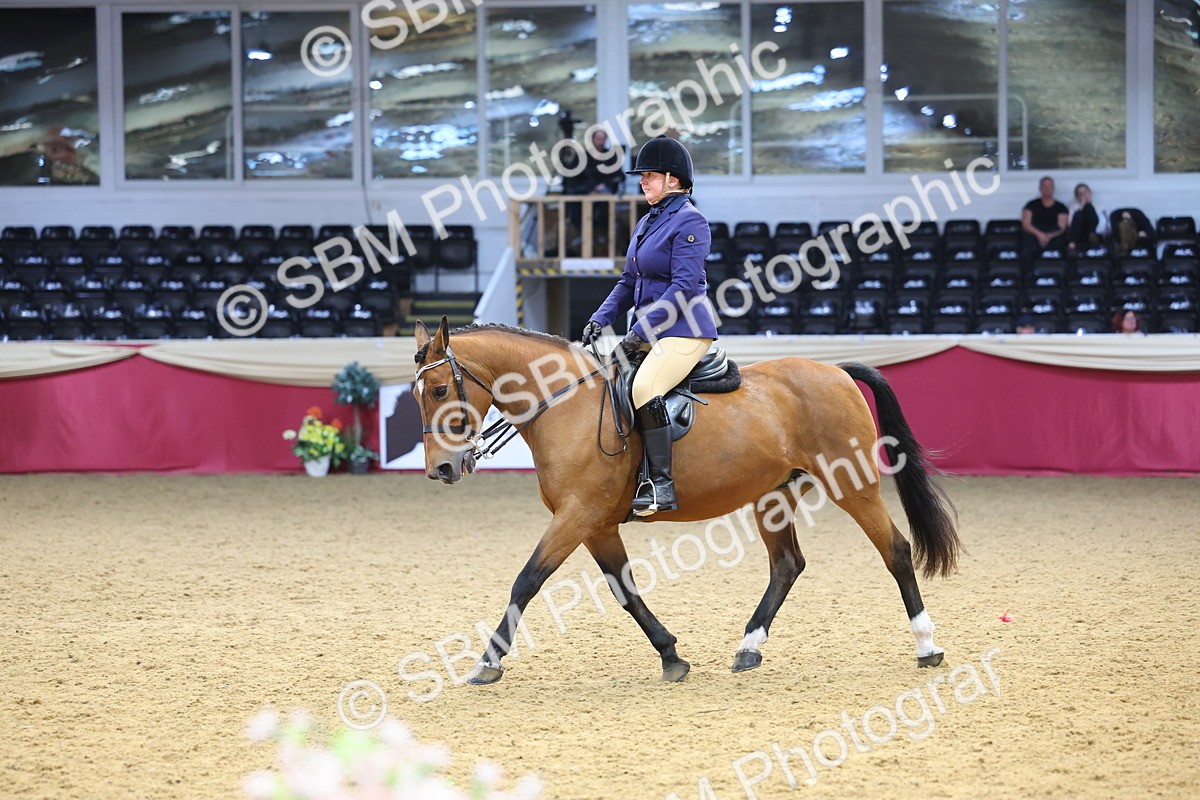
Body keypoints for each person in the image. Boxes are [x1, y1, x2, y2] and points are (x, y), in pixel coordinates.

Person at [580, 135, 718, 517]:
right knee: (605, 385)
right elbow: (628, 282)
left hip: (685, 330)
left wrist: (640, 332)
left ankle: (661, 484)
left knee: (644, 386)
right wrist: (599, 318)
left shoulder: (692, 221)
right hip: (651, 331)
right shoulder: (646, 221)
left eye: (650, 176)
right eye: (642, 177)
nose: (642, 182)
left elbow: (685, 288)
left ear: (673, 180)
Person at [1020, 176, 1069, 266]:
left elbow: (1062, 227)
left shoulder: (1061, 207)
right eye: (1044, 186)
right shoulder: (1031, 205)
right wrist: (1040, 235)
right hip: (1035, 233)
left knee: (1060, 242)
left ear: (1053, 189)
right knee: (1027, 241)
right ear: (1040, 189)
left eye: (1049, 186)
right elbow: (1026, 224)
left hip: (1053, 234)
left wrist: (1048, 236)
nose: (1047, 189)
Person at [1067, 183, 1109, 252]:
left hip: (1099, 235)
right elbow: (1070, 224)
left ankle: (1074, 242)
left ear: (1090, 193)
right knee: (1082, 211)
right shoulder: (1074, 208)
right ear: (1077, 197)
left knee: (1089, 207)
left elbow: (1106, 223)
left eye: (1085, 192)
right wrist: (1082, 207)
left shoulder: (1101, 207)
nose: (1084, 196)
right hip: (1082, 236)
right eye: (1080, 194)